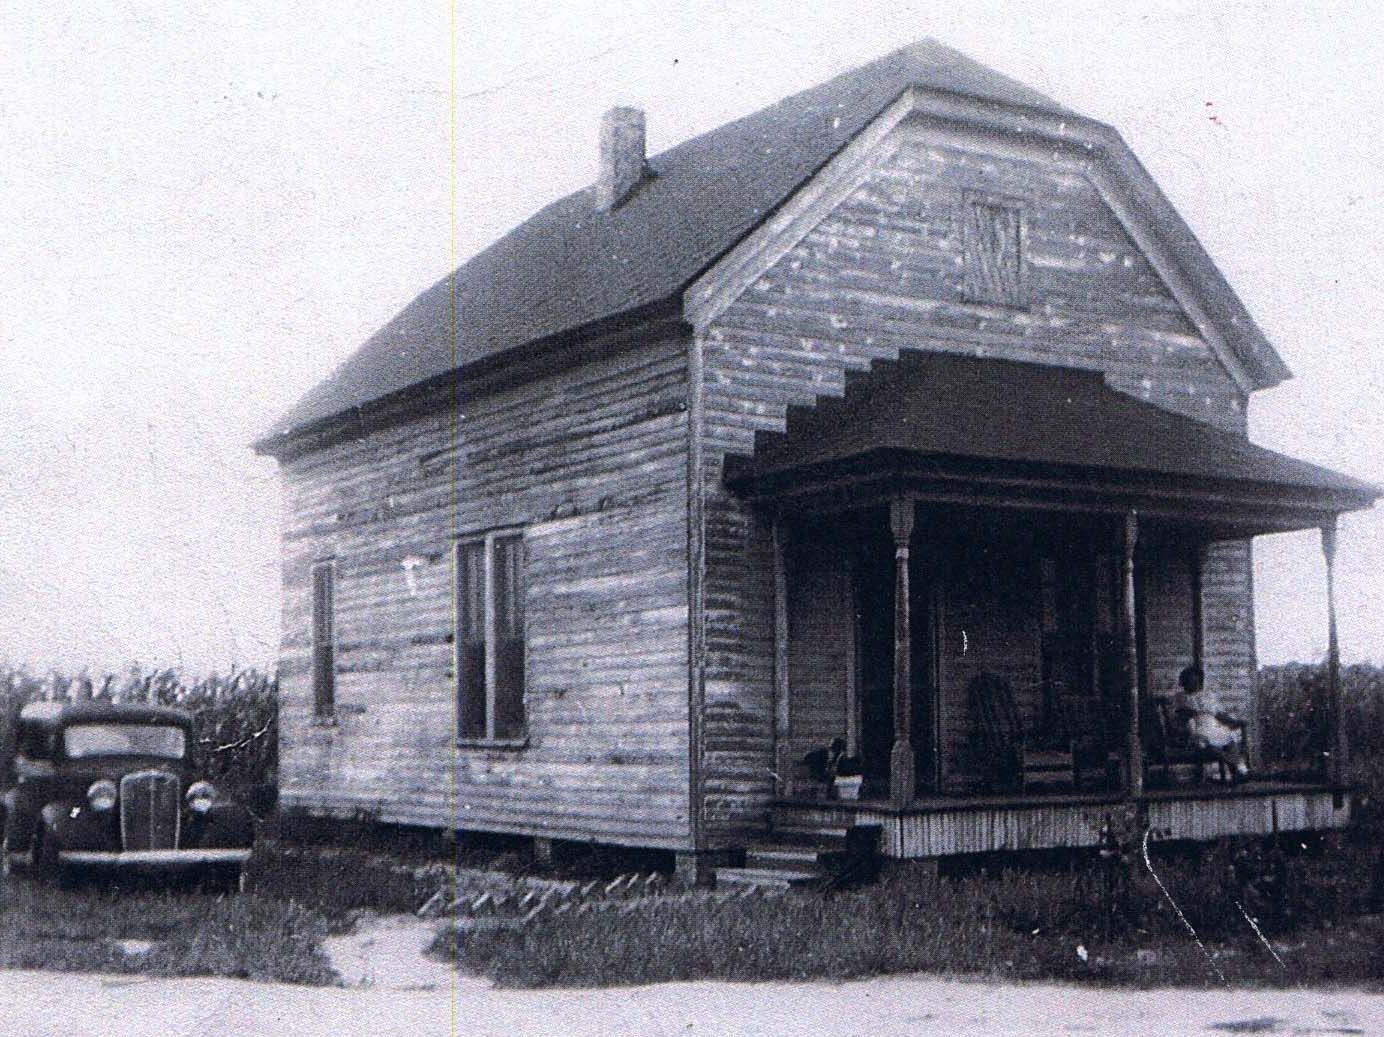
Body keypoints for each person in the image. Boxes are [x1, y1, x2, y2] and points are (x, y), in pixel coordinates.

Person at [1173, 665, 1250, 781]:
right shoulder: (1181, 697)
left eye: (1196, 680)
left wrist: (1234, 721)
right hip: (1195, 726)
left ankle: (1237, 773)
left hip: (1212, 725)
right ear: (1184, 681)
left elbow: (1219, 714)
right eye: (1189, 680)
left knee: (1229, 738)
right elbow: (1180, 715)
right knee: (1208, 743)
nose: (1193, 684)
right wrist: (1191, 713)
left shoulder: (1208, 695)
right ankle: (1240, 767)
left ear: (1200, 680)